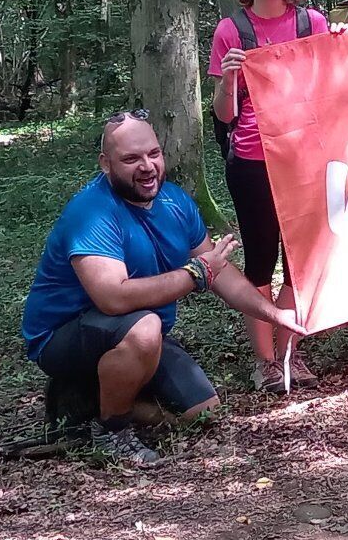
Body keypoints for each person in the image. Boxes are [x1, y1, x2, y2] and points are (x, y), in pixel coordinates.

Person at [21, 111, 308, 465]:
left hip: (136, 330)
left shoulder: (175, 202)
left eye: (153, 154)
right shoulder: (92, 212)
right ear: (105, 164)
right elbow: (112, 298)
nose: (147, 166)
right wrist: (195, 274)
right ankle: (112, 433)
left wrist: (276, 314)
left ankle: (88, 399)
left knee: (204, 410)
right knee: (145, 328)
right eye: (131, 159)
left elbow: (221, 274)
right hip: (64, 335)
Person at [209, 0, 330, 394]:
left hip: (305, 161)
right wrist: (230, 78)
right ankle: (263, 361)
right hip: (253, 161)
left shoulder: (311, 22)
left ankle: (290, 356)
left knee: (301, 261)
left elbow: (331, 88)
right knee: (261, 261)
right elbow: (224, 112)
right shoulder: (231, 31)